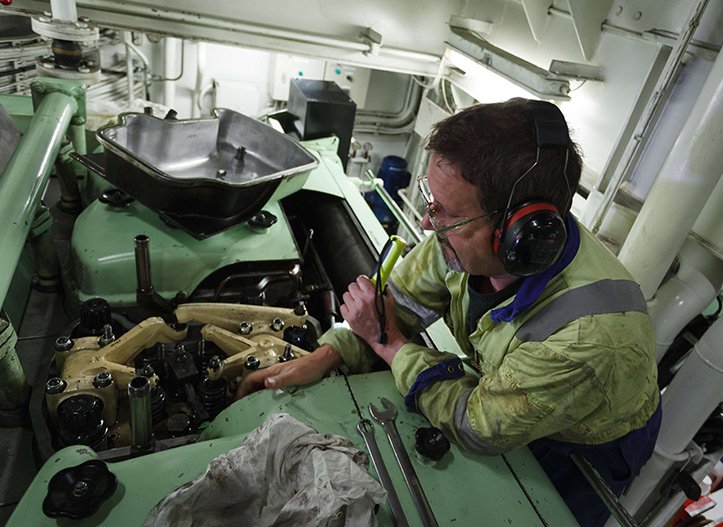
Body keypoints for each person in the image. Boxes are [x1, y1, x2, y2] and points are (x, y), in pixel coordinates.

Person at [237, 98, 661, 527]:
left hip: (579, 448)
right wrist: (324, 357)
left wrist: (392, 346)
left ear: (515, 235)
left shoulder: (588, 338)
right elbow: (397, 304)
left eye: (447, 213)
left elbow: (476, 424)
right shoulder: (462, 244)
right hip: (511, 389)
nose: (426, 222)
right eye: (430, 200)